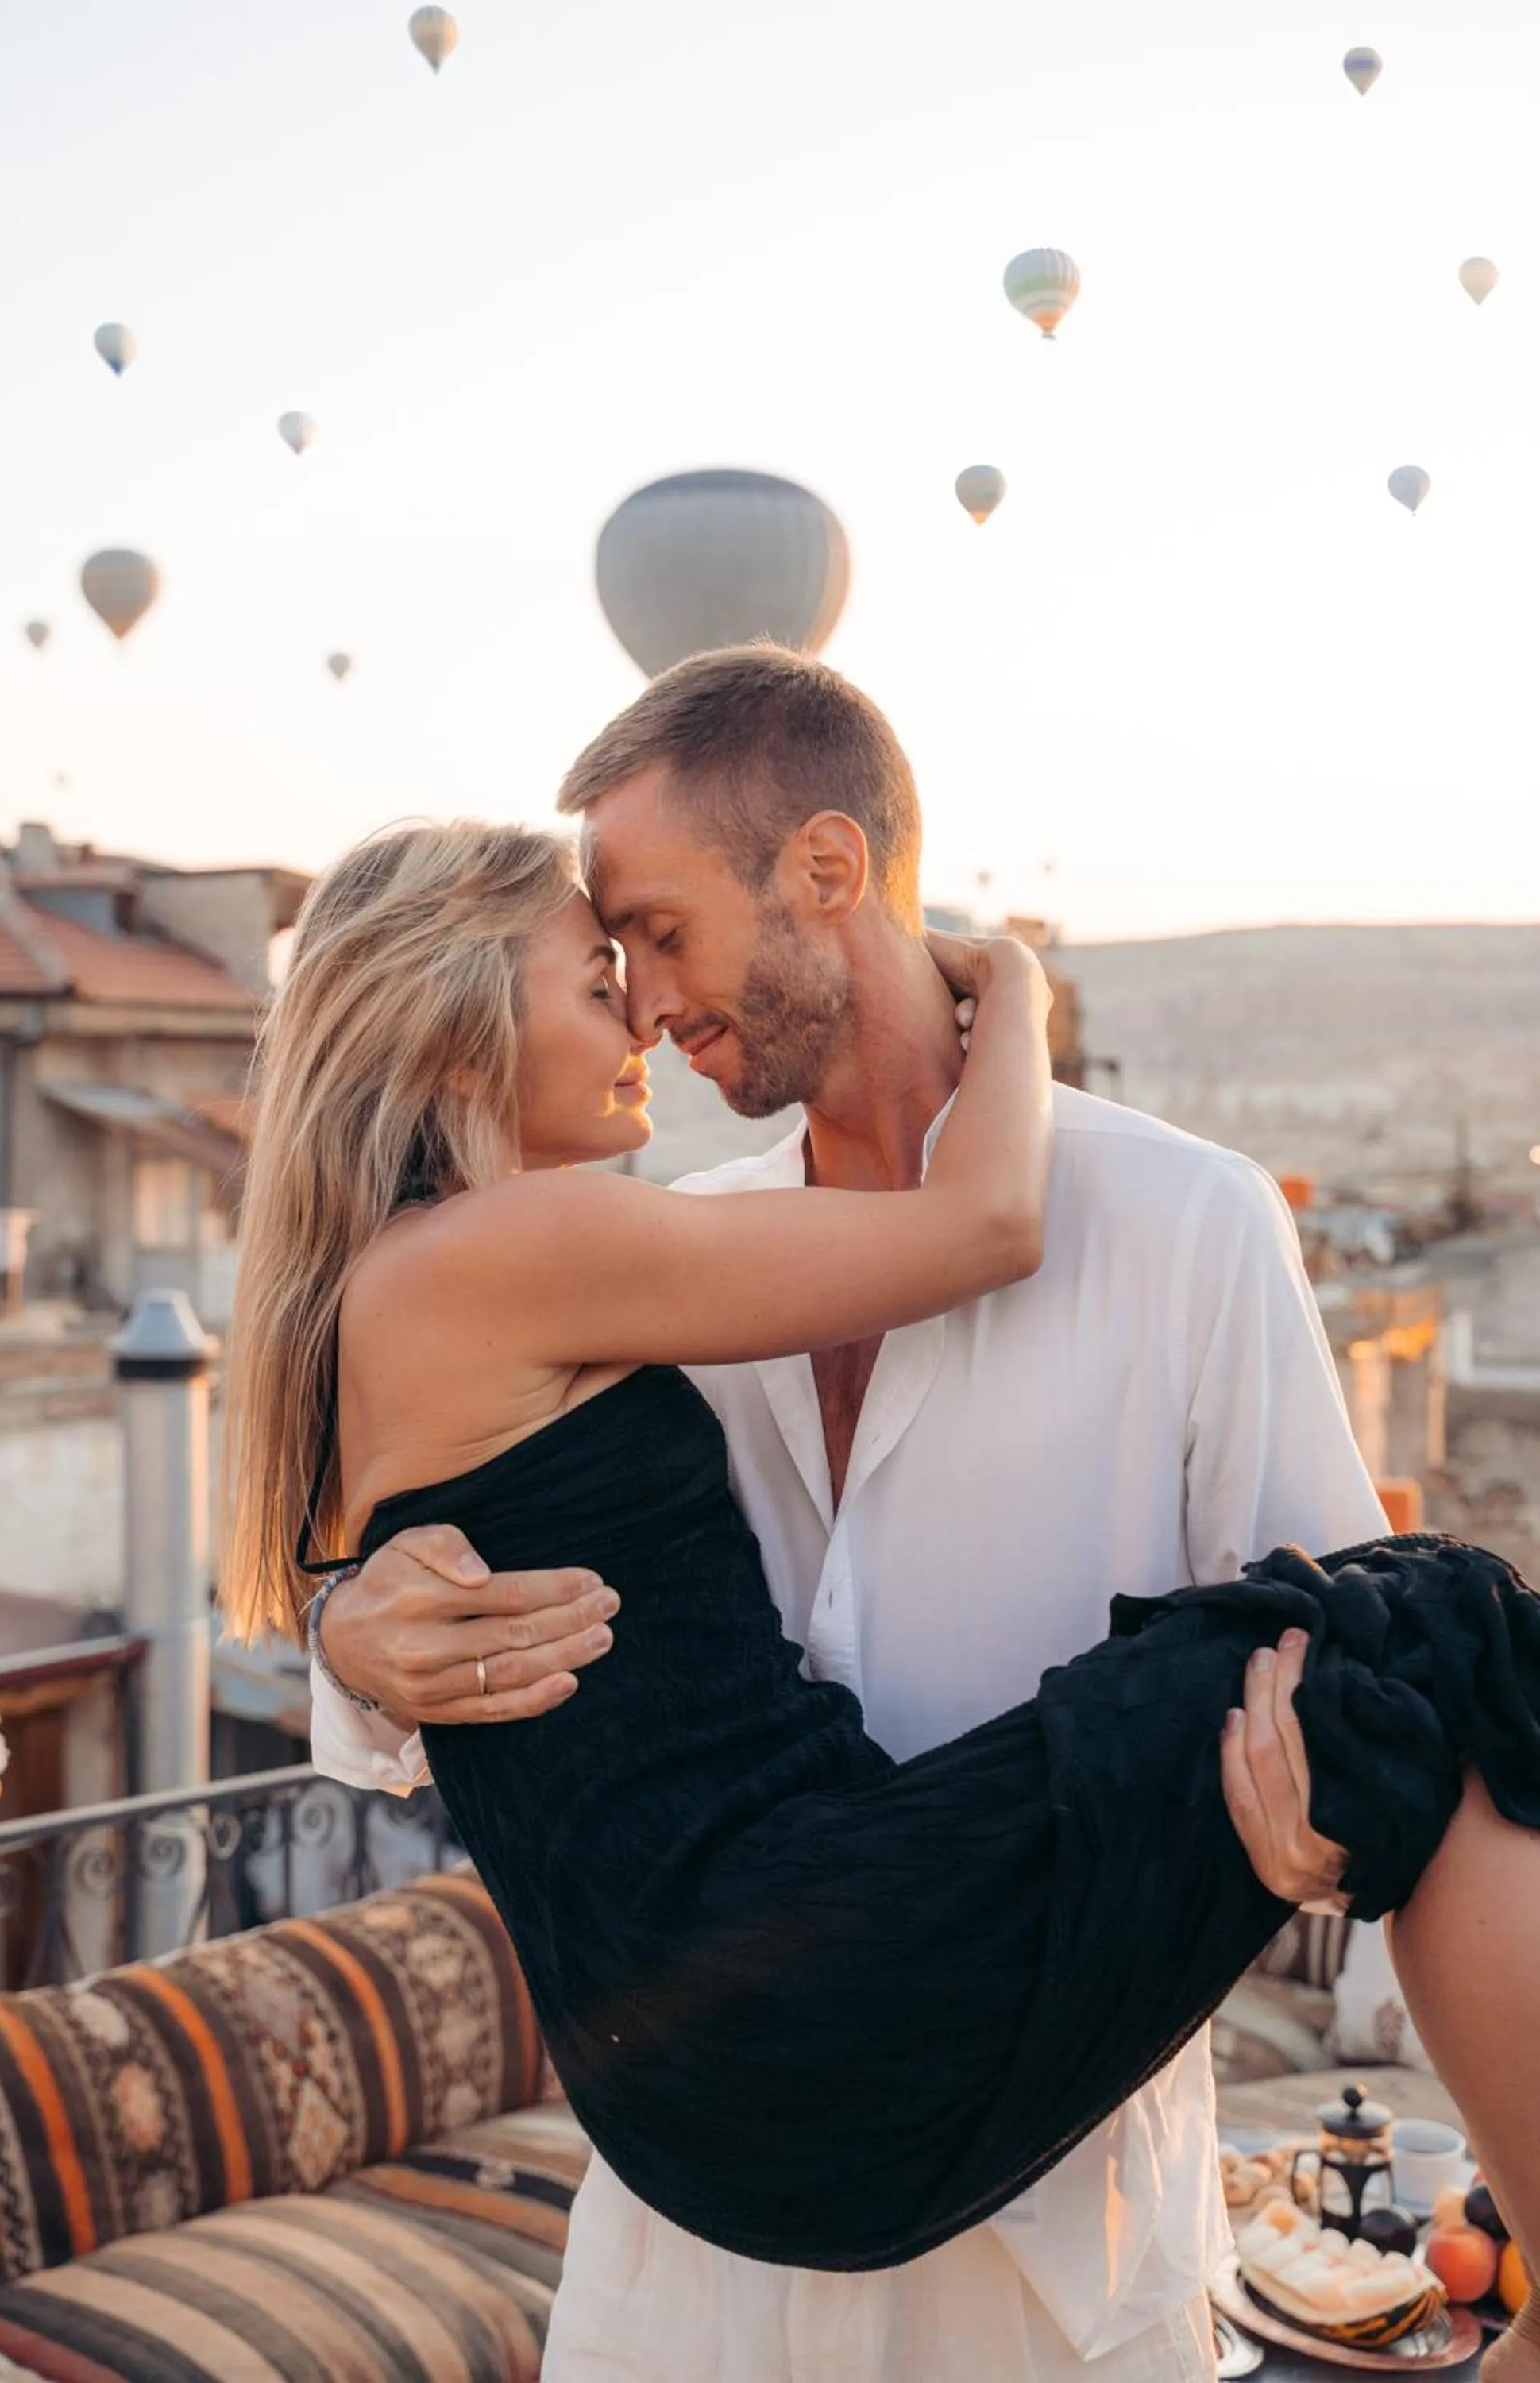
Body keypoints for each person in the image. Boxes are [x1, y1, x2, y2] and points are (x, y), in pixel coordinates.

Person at [280, 651, 1540, 2383]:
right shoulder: (660, 1253)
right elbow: (468, 1579)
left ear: (823, 870)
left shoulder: (1185, 1224)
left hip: (1054, 2227)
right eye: (606, 958)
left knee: (1423, 1633)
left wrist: (1320, 1852)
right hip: (697, 2257)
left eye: (650, 931)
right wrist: (345, 1634)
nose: (642, 1001)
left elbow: (1341, 1667)